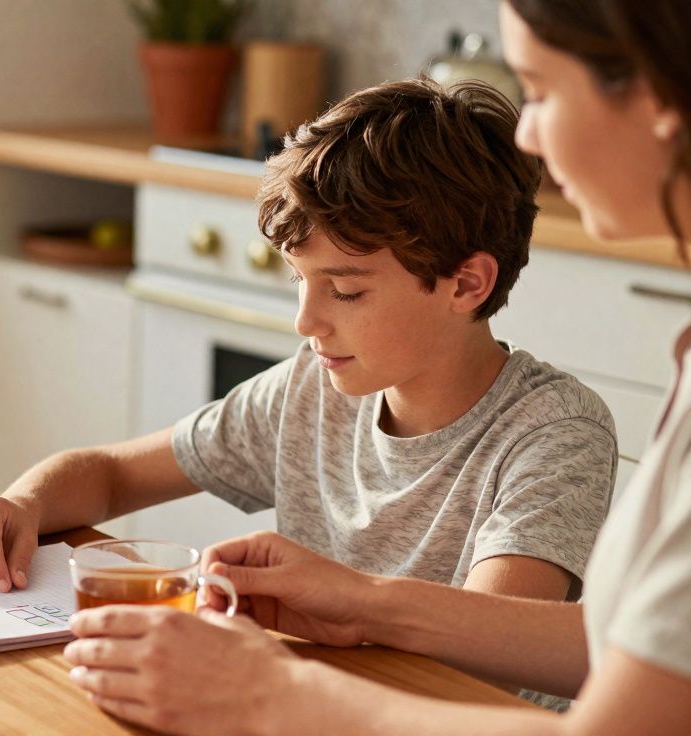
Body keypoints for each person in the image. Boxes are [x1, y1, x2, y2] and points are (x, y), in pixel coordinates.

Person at [63, 1, 691, 734]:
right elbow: (623, 651)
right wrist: (360, 601)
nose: (527, 133)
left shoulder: (552, 426)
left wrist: (268, 693)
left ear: (654, 100)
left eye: (541, 91)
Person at [0, 80, 617, 610]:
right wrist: (20, 506)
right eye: (299, 281)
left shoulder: (553, 432)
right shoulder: (310, 390)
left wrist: (342, 606)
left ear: (467, 283)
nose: (306, 321)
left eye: (345, 291)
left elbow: (489, 634)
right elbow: (110, 474)